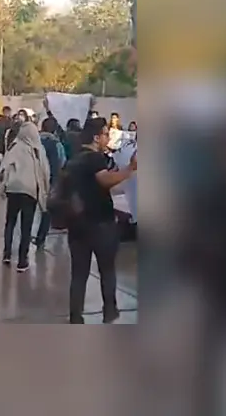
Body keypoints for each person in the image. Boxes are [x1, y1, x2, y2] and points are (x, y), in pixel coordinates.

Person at [66, 117, 136, 324]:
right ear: (96, 138)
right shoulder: (95, 158)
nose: (108, 137)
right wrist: (129, 169)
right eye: (106, 134)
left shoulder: (74, 159)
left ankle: (75, 315)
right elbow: (104, 180)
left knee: (79, 274)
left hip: (76, 224)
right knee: (107, 270)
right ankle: (110, 310)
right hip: (99, 224)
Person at [0, 122, 50, 272]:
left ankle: (7, 254)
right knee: (26, 227)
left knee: (10, 222)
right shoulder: (38, 149)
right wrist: (45, 191)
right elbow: (45, 171)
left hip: (13, 189)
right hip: (30, 191)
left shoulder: (14, 147)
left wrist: (1, 187)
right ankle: (22, 261)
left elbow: (4, 167)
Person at [34, 116, 67, 249]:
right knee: (46, 211)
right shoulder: (56, 143)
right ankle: (40, 238)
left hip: (33, 178)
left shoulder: (34, 141)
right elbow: (62, 161)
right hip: (50, 180)